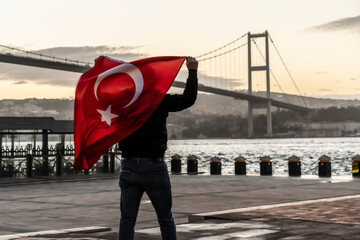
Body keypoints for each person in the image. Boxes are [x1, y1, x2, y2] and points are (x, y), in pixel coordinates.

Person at [118, 56, 198, 240]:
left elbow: (105, 93)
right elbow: (188, 99)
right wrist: (192, 71)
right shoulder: (158, 100)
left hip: (128, 165)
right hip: (153, 166)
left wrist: (101, 68)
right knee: (165, 219)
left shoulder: (125, 102)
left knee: (127, 220)